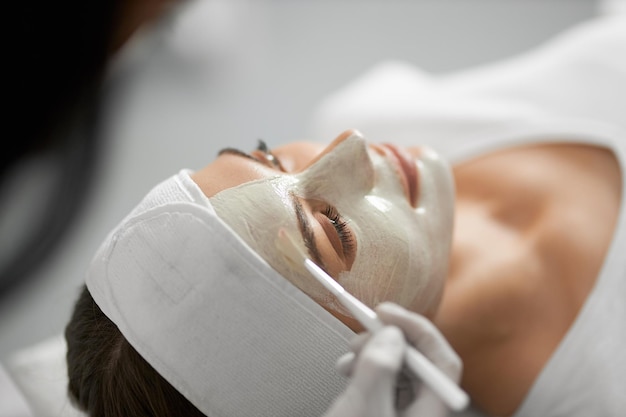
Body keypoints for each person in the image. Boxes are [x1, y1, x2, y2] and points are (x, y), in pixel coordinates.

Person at [65, 10, 626, 417]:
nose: (351, 145)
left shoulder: (377, 107)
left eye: (269, 154)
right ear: (354, 360)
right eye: (333, 228)